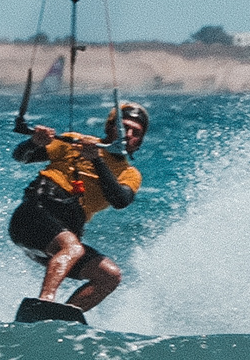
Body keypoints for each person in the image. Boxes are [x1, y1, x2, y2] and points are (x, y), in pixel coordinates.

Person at [9, 98, 149, 316]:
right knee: (73, 248)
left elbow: (120, 200)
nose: (128, 135)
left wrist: (96, 160)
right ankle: (45, 301)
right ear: (109, 128)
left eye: (136, 133)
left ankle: (61, 316)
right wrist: (34, 142)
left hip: (60, 240)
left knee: (109, 275)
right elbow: (21, 157)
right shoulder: (75, 142)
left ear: (139, 142)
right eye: (123, 127)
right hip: (32, 218)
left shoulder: (130, 174)